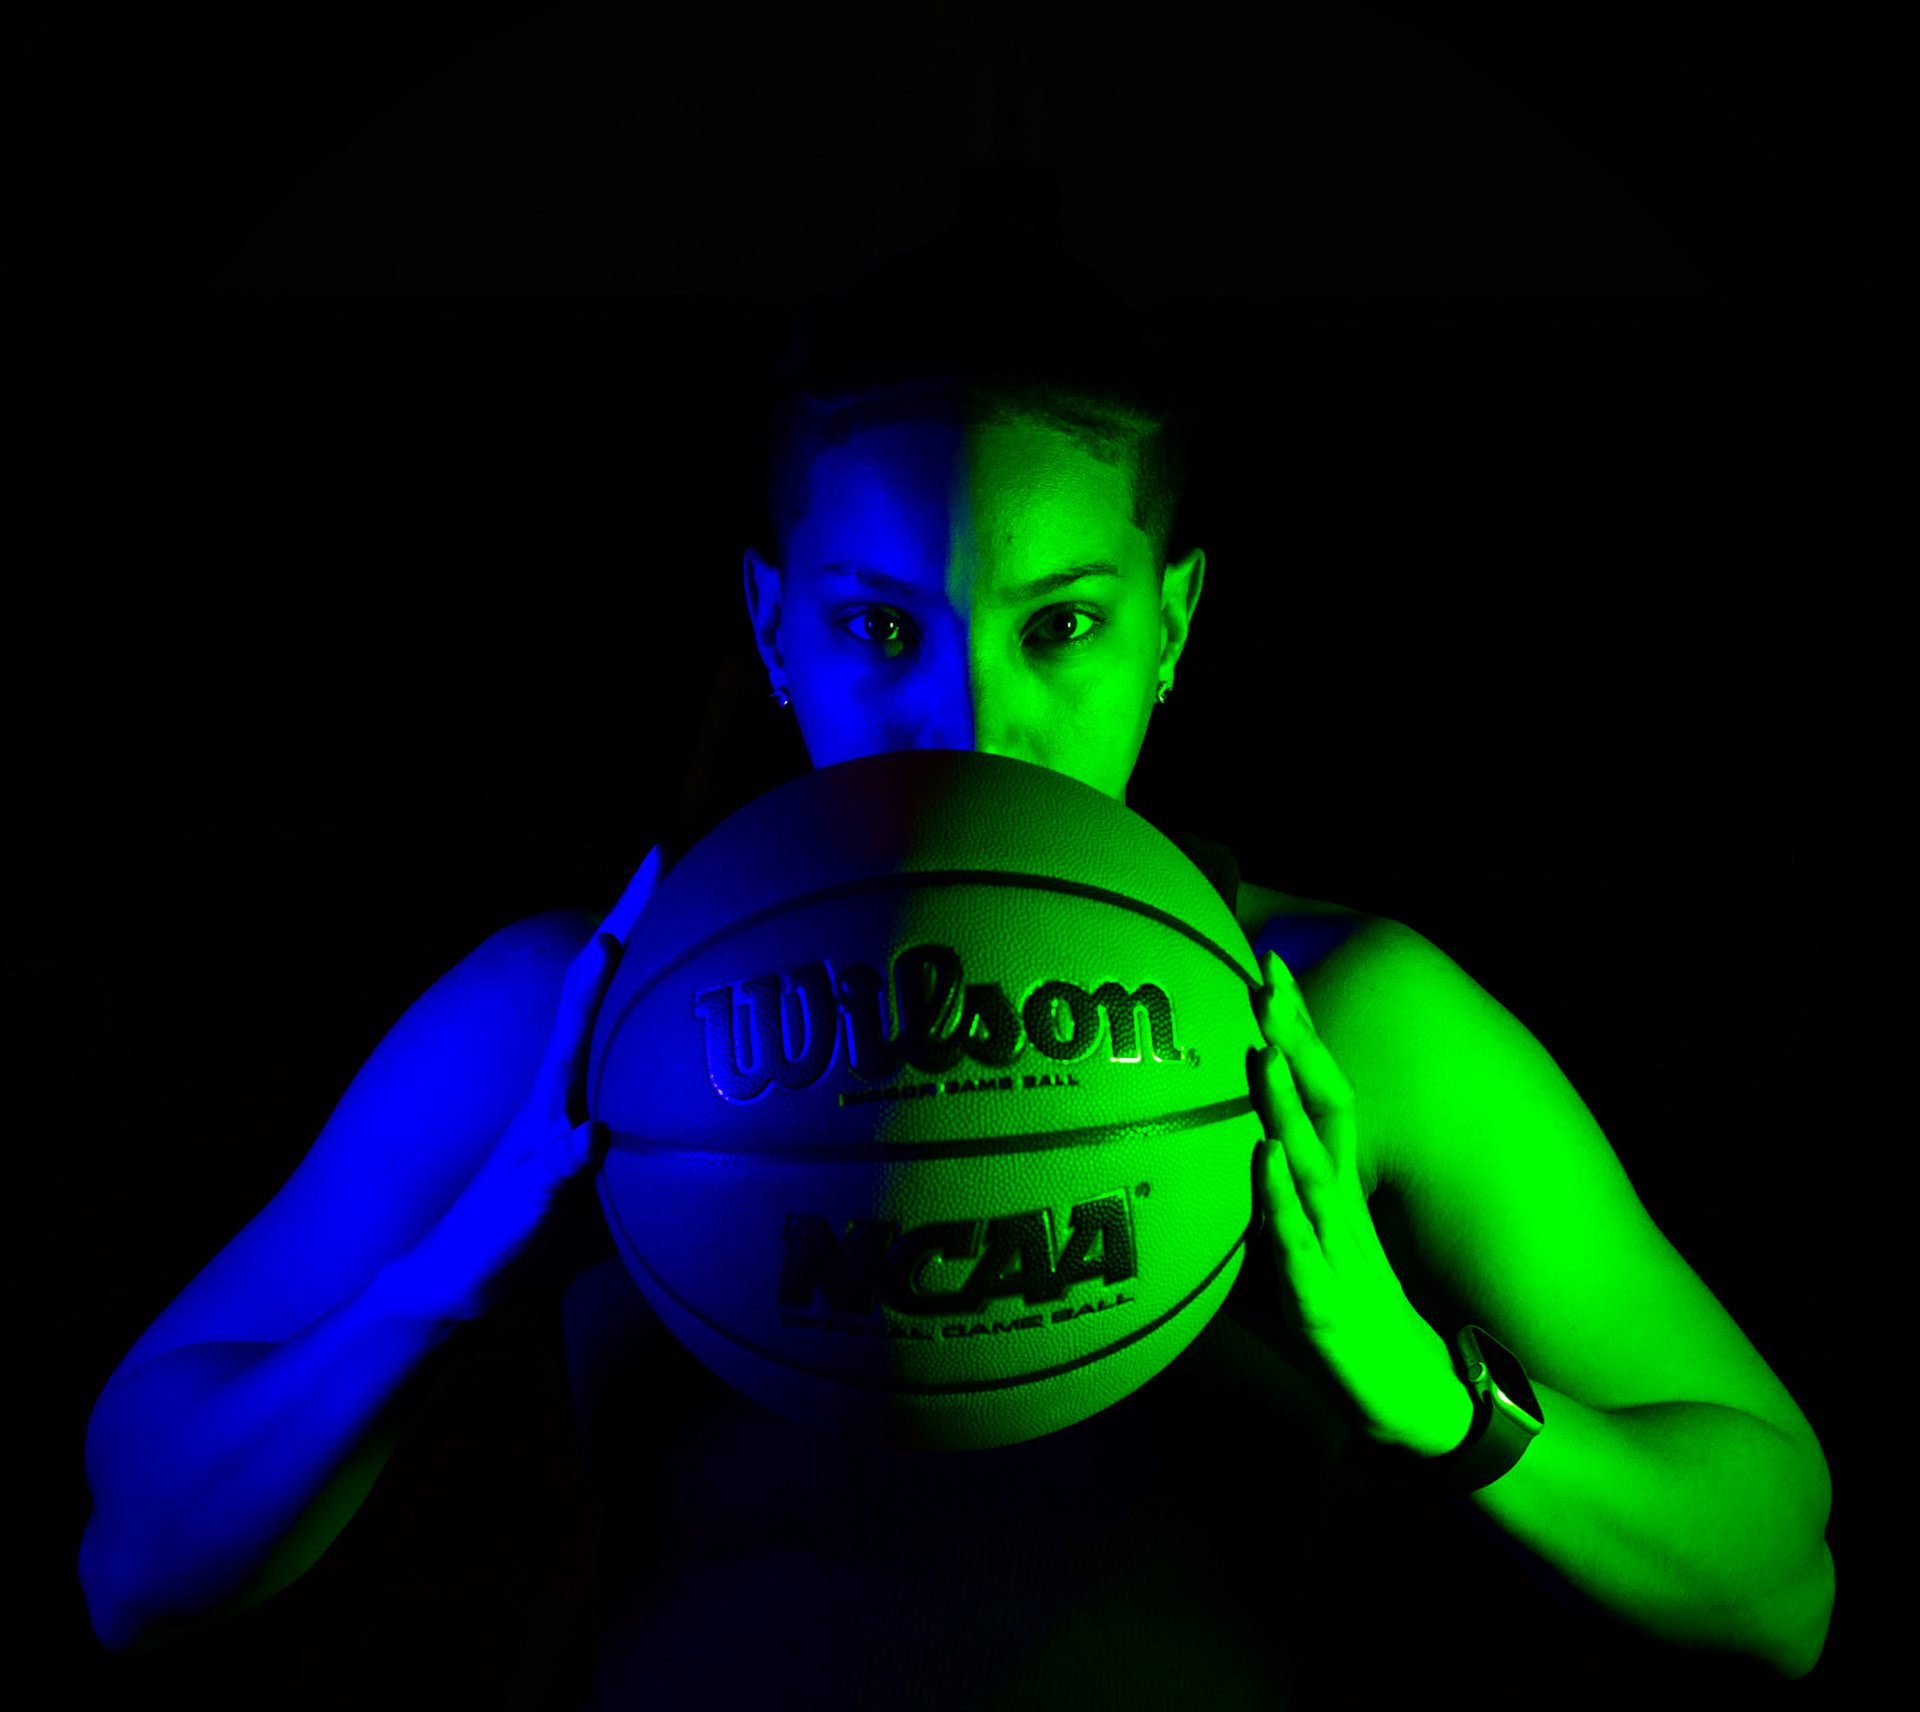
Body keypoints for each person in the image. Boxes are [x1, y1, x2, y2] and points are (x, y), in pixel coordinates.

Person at [79, 207, 1836, 1707]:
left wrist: (1432, 1397)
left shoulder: (1344, 1025)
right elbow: (134, 1565)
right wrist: (450, 1275)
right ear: (775, 630)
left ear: (1170, 627)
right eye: (876, 624)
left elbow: (1783, 1587)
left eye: (1059, 625)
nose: (973, 719)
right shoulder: (574, 1026)